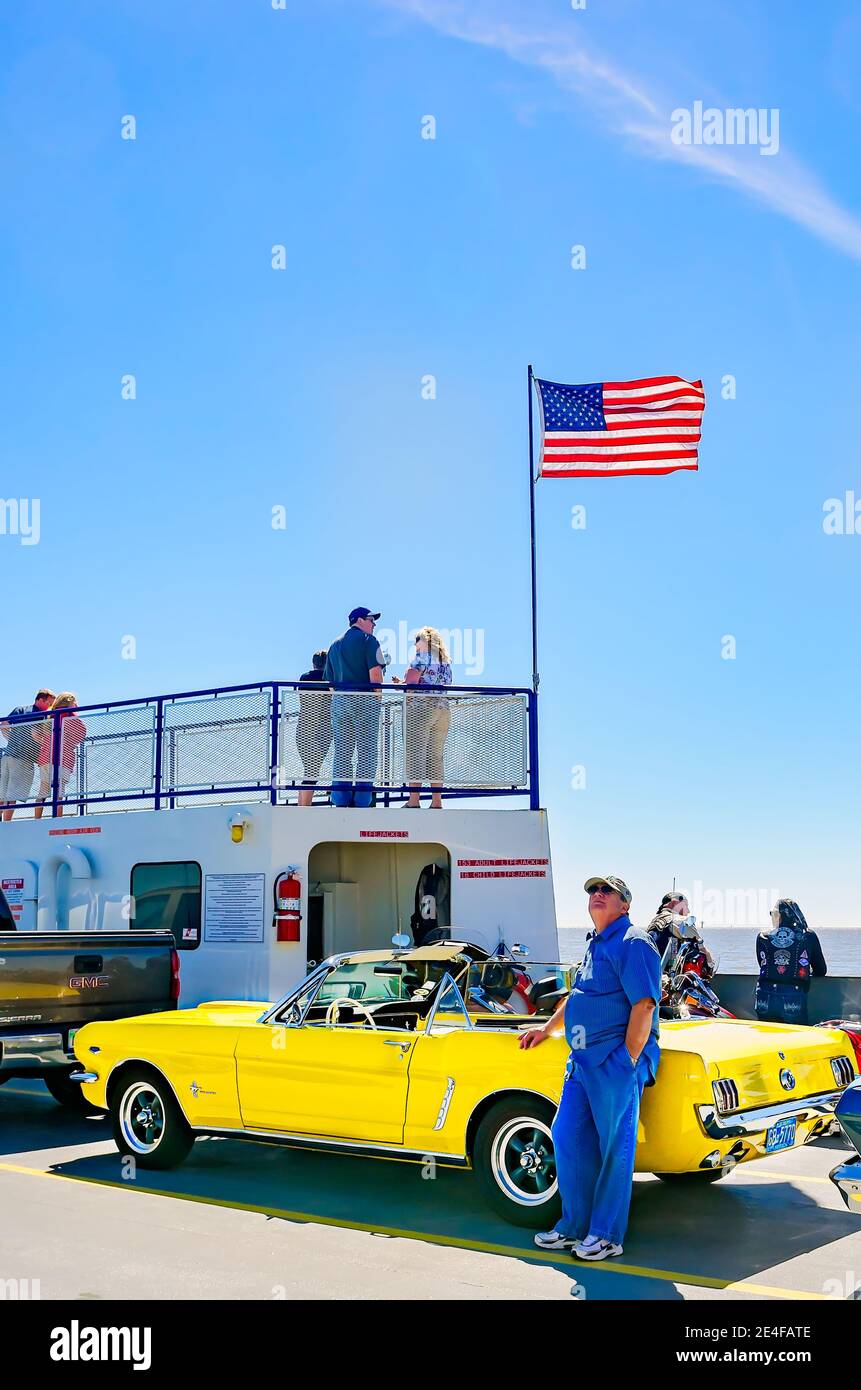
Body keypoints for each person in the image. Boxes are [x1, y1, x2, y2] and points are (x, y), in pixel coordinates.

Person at [519, 875, 661, 1262]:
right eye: (593, 892)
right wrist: (547, 1030)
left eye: (606, 891)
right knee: (567, 1137)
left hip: (613, 1062)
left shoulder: (633, 943)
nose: (597, 895)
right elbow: (579, 996)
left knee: (615, 1147)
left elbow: (644, 1005)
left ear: (625, 904)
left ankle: (606, 1235)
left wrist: (627, 1060)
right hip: (582, 1062)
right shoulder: (594, 944)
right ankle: (573, 1225)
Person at [324, 608, 385, 808]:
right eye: (371, 620)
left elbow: (330, 683)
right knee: (367, 751)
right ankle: (362, 800)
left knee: (342, 750)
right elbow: (376, 677)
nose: (374, 624)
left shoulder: (334, 645)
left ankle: (340, 798)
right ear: (359, 620)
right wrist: (378, 699)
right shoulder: (370, 641)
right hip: (364, 699)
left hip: (340, 701)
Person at [396, 628, 452, 809]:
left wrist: (406, 693)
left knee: (415, 752)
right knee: (436, 756)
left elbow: (412, 683)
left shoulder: (421, 658)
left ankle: (413, 801)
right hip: (443, 709)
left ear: (426, 642)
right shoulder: (444, 661)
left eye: (417, 640)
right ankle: (437, 802)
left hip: (422, 708)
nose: (415, 644)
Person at [755, 899, 827, 1025]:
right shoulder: (807, 936)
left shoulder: (763, 936)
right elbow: (821, 970)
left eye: (774, 914)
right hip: (792, 996)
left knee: (767, 1038)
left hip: (764, 996)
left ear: (780, 916)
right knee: (796, 1039)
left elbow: (763, 964)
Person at [1, 688, 55, 821]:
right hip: (23, 759)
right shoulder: (42, 716)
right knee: (13, 794)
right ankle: (6, 825)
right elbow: (35, 733)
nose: (51, 707)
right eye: (50, 703)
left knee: (2, 793)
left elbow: (4, 724)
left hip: (8, 755)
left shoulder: (20, 709)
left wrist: (13, 740)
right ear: (41, 700)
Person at [33, 694, 87, 819]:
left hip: (45, 758)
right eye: (75, 702)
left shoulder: (50, 714)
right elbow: (82, 732)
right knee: (59, 793)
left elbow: (36, 733)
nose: (77, 705)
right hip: (62, 758)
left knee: (43, 791)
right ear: (69, 702)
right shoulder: (68, 715)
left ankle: (37, 820)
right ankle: (57, 820)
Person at [296, 651, 333, 806]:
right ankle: (304, 807)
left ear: (313, 663)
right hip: (321, 730)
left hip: (303, 728)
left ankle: (302, 805)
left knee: (310, 769)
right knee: (312, 771)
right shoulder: (329, 679)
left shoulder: (304, 678)